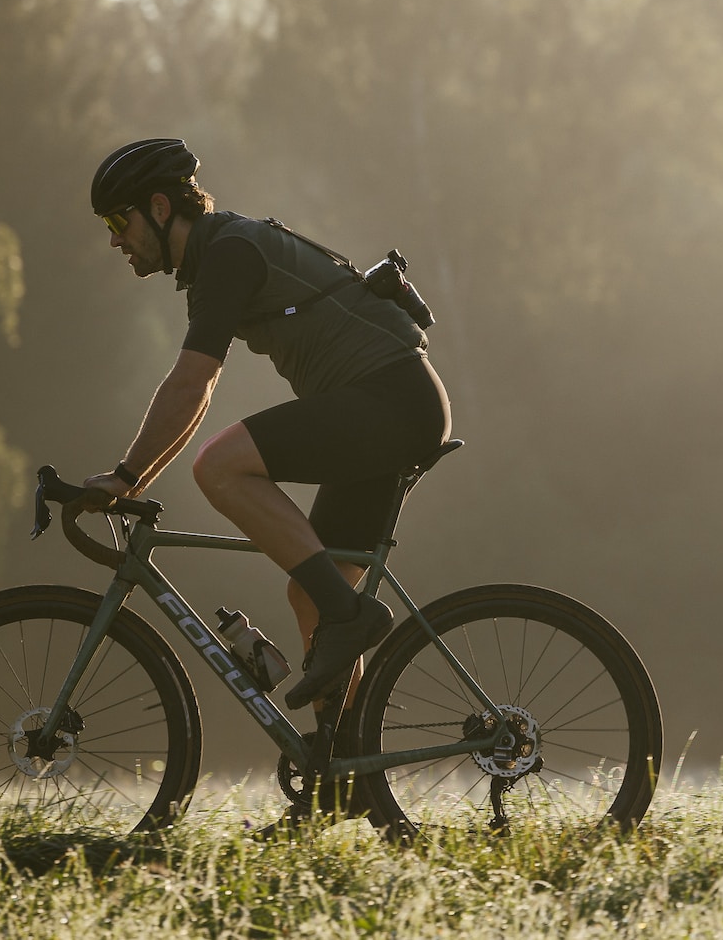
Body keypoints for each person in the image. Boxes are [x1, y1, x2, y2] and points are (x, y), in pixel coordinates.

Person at [81, 138, 450, 712]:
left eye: (116, 219)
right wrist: (134, 480)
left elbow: (190, 382)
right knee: (308, 592)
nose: (113, 239)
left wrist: (127, 475)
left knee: (220, 466)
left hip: (390, 399)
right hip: (393, 403)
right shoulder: (218, 256)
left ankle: (351, 617)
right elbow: (198, 395)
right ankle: (342, 767)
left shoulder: (228, 252)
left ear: (158, 208)